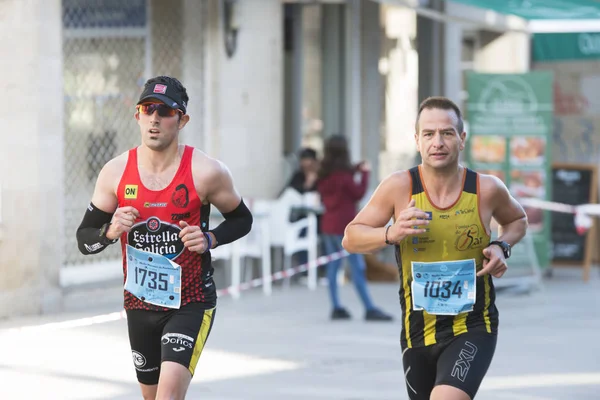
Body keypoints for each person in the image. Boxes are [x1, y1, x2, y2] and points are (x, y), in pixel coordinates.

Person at [75, 76, 253, 400]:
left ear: (182, 120)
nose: (154, 119)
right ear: (137, 115)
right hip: (139, 304)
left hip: (191, 302)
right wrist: (110, 231)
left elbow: (242, 219)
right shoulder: (115, 173)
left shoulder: (206, 172)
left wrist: (210, 238)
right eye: (148, 109)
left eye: (165, 111)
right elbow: (84, 239)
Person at [342, 97, 528, 400]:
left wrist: (500, 245)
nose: (437, 142)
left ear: (462, 139)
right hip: (417, 331)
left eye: (447, 133)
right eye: (429, 134)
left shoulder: (486, 189)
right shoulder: (399, 187)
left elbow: (517, 220)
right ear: (417, 140)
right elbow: (351, 237)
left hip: (472, 325)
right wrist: (392, 232)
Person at [317, 135, 393, 322]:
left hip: (328, 225)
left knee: (333, 267)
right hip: (345, 227)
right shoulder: (344, 176)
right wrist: (365, 173)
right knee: (357, 267)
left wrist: (355, 169)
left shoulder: (324, 175)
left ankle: (336, 306)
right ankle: (369, 308)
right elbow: (358, 192)